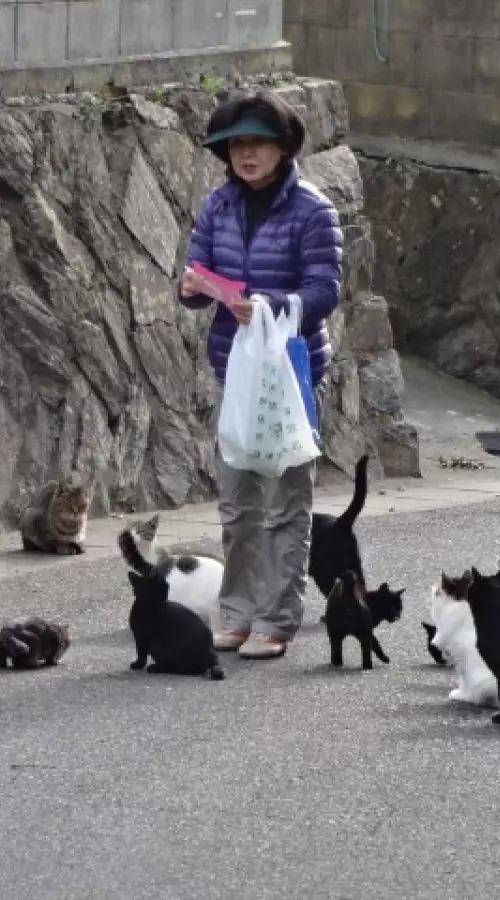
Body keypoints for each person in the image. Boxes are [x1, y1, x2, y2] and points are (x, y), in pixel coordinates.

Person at [177, 90, 344, 660]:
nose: (245, 154)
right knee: (237, 504)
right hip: (235, 372)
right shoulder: (217, 206)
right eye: (236, 144)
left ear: (283, 147)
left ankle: (277, 620)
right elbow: (198, 271)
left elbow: (325, 290)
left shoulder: (313, 211)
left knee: (284, 506)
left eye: (257, 142)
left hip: (290, 378)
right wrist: (193, 288)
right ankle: (239, 615)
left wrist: (268, 303)